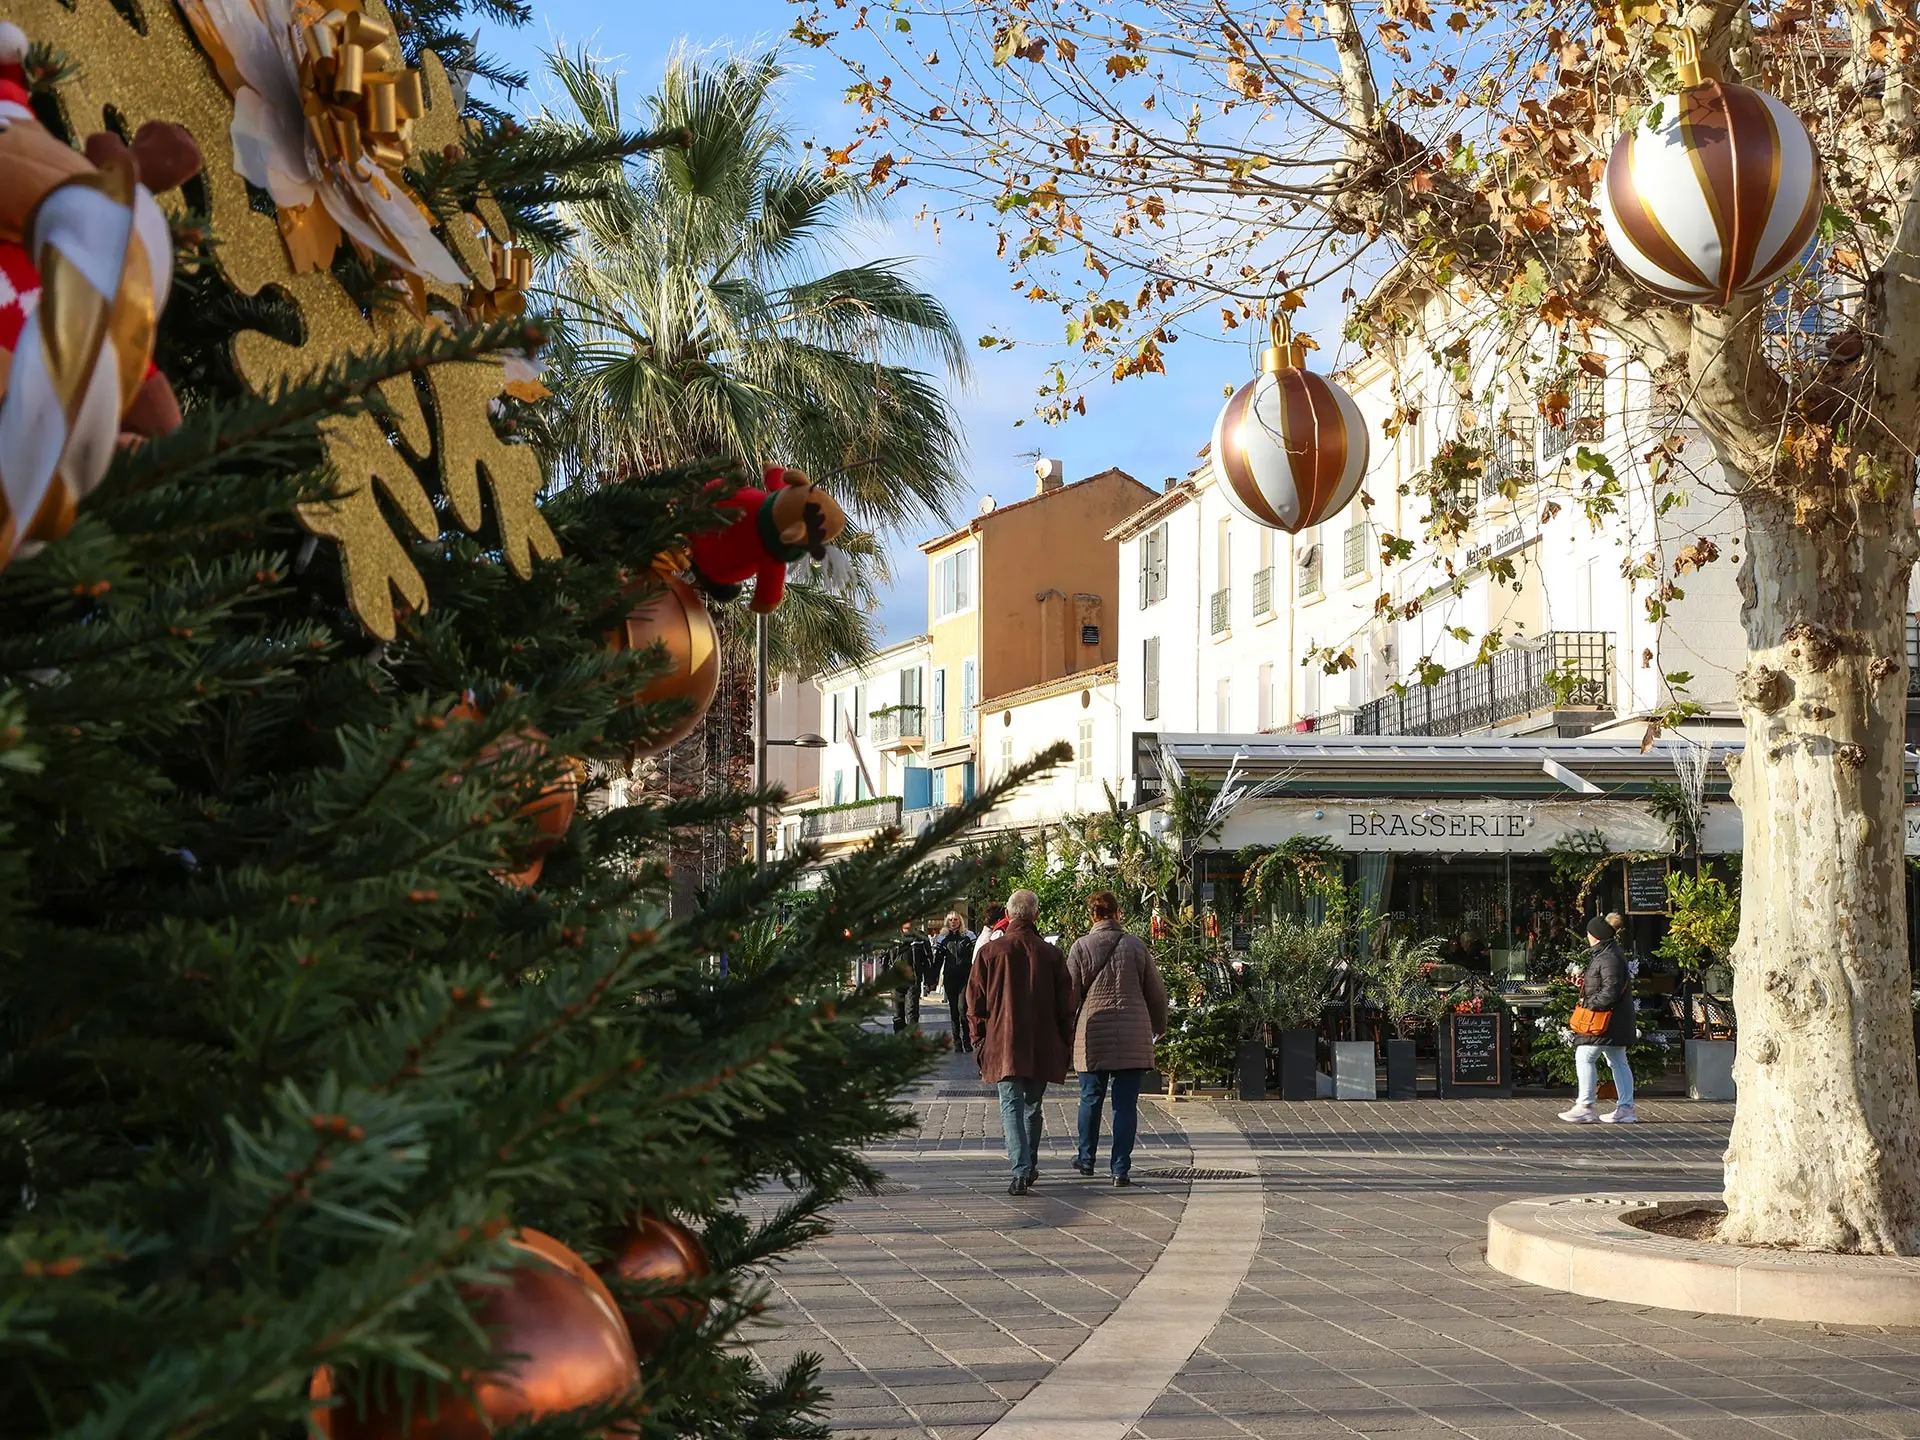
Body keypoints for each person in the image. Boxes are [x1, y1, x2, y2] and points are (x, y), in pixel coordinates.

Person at [968, 889, 1075, 1195]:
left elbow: (974, 1004)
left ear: (1009, 914)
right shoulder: (1051, 954)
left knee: (1011, 1107)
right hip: (1042, 1043)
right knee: (1032, 1106)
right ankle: (1027, 1166)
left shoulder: (991, 953)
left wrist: (978, 1043)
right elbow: (1066, 1006)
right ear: (1036, 915)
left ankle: (1021, 1170)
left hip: (1003, 1042)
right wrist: (1064, 1045)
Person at [1067, 892, 1168, 1187]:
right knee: (1125, 1104)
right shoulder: (1136, 946)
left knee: (1090, 1098)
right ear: (1118, 913)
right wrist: (1159, 1026)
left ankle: (1086, 1158)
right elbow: (1156, 992)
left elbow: (1070, 995)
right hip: (1132, 1034)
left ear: (1092, 915)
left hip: (1093, 1034)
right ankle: (1120, 1168)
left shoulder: (1081, 947)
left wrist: (1065, 1030)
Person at [1560, 916, 1637, 1124]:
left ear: (1594, 936)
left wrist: (1589, 1004)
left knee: (1584, 1055)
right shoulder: (1609, 953)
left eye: (1588, 933)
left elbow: (1610, 991)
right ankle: (1626, 1108)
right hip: (1616, 1019)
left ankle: (1586, 1105)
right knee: (1618, 1061)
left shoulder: (1608, 957)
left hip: (1606, 1020)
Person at [937, 912, 977, 1053]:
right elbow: (938, 960)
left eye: (955, 919)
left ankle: (967, 1041)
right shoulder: (943, 938)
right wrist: (932, 980)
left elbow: (975, 956)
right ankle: (957, 1042)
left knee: (962, 1009)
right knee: (953, 1010)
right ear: (947, 922)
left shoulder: (969, 936)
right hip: (950, 977)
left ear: (960, 921)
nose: (953, 922)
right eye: (950, 920)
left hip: (965, 977)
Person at [891, 923, 921, 1033]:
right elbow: (884, 958)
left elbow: (928, 959)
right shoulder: (893, 937)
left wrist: (929, 979)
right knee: (897, 1014)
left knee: (912, 1013)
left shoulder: (920, 937)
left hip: (913, 980)